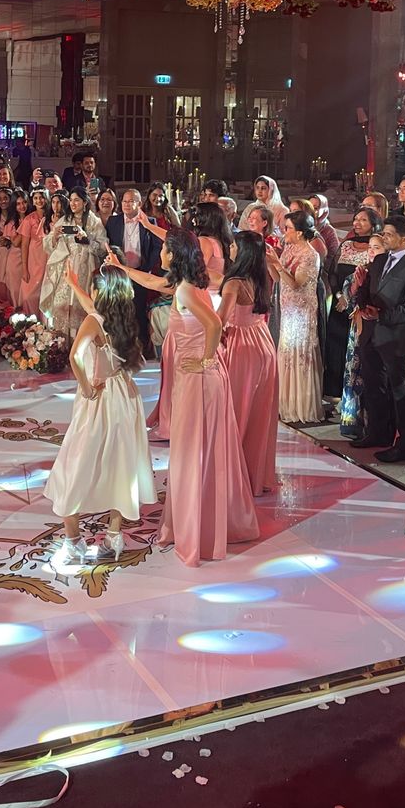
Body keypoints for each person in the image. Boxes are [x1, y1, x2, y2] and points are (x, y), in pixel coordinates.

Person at [108, 229, 259, 567]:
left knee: (192, 453)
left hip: (198, 379)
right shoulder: (188, 284)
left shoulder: (187, 290)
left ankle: (195, 530)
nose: (160, 253)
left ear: (174, 254)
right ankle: (201, 523)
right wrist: (121, 267)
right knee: (200, 452)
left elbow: (214, 326)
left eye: (164, 249)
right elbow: (152, 281)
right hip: (198, 378)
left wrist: (204, 361)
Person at [46, 263, 157, 567]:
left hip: (101, 399)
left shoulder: (94, 321)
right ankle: (114, 536)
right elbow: (92, 308)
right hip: (126, 396)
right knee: (121, 465)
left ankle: (72, 541)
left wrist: (86, 389)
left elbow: (75, 357)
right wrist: (73, 284)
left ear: (101, 292)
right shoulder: (123, 318)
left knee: (74, 464)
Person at [350, 214, 405, 461]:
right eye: (383, 233)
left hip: (394, 336)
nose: (383, 237)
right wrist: (362, 300)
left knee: (398, 389)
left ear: (404, 239)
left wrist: (382, 315)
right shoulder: (380, 260)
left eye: (389, 234)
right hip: (371, 333)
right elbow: (367, 289)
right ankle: (377, 432)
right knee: (374, 385)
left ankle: (403, 443)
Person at [217, 230, 279, 495]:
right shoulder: (261, 277)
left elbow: (219, 320)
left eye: (233, 246)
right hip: (263, 342)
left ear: (242, 252)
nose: (230, 249)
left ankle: (234, 477)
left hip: (241, 345)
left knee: (237, 411)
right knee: (259, 414)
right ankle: (255, 476)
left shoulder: (234, 283)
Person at [266, 210, 323, 425]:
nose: (284, 232)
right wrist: (270, 262)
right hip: (288, 310)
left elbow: (296, 283)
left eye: (288, 228)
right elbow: (278, 279)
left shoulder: (310, 255)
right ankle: (284, 403)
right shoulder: (289, 249)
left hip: (301, 313)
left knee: (299, 356)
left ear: (299, 232)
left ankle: (301, 406)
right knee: (286, 353)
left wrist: (278, 264)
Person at [325, 207, 382, 406]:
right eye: (356, 219)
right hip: (340, 304)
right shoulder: (347, 244)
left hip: (359, 305)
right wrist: (339, 295)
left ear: (374, 224)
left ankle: (352, 398)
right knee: (335, 344)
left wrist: (351, 299)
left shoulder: (375, 247)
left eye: (363, 220)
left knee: (355, 350)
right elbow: (332, 273)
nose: (357, 223)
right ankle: (333, 392)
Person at [40, 188, 108, 341]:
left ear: (85, 203)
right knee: (63, 304)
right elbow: (47, 245)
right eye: (71, 200)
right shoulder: (64, 220)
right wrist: (55, 236)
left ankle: (81, 343)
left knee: (82, 303)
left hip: (86, 268)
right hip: (66, 268)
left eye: (76, 200)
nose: (73, 203)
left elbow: (103, 247)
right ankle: (61, 344)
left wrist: (86, 239)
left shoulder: (94, 221)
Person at [338, 231, 386, 439]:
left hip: (377, 329)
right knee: (353, 373)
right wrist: (356, 285)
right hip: (357, 329)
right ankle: (352, 420)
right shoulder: (360, 271)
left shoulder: (386, 274)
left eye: (377, 247)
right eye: (370, 247)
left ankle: (372, 424)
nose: (372, 252)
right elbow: (347, 301)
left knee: (371, 377)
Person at [104, 188, 163, 352]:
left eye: (131, 201)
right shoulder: (113, 221)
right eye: (124, 201)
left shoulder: (150, 221)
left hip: (140, 273)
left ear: (140, 203)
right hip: (119, 273)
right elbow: (107, 245)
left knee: (139, 311)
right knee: (119, 311)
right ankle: (121, 348)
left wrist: (147, 267)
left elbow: (157, 246)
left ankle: (143, 348)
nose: (126, 205)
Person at [19, 188, 51, 315]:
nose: (39, 200)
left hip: (48, 256)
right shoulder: (29, 219)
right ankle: (30, 319)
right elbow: (24, 245)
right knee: (29, 294)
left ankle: (45, 321)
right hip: (34, 258)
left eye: (41, 197)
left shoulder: (52, 216)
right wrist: (24, 268)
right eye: (36, 198)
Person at [4, 190, 30, 306]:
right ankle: (17, 311)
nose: (22, 206)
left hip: (30, 257)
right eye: (18, 204)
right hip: (15, 259)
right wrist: (25, 224)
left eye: (24, 202)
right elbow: (15, 242)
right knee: (15, 288)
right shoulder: (11, 223)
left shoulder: (33, 218)